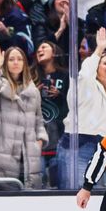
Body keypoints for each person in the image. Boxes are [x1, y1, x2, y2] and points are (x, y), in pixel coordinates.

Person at [56, 27, 106, 190]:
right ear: (96, 67)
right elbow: (85, 73)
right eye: (105, 63)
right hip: (78, 147)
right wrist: (99, 49)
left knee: (98, 197)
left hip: (102, 152)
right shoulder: (87, 84)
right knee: (78, 193)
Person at [0, 44, 47, 188]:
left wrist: (40, 140)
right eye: (11, 59)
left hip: (28, 155)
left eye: (19, 59)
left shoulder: (33, 90)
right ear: (5, 63)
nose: (16, 62)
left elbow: (39, 119)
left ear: (24, 63)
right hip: (0, 157)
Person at [33, 40, 68, 187]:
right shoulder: (31, 74)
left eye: (44, 47)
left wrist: (60, 94)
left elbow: (74, 101)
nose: (39, 50)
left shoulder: (66, 75)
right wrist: (34, 92)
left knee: (58, 180)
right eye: (38, 48)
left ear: (54, 52)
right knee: (36, 181)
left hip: (59, 132)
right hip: (37, 133)